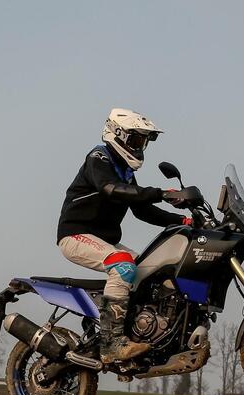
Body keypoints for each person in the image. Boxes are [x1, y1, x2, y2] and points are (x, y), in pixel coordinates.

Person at [56, 108, 190, 364]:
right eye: (136, 140)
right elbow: (111, 189)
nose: (140, 147)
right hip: (75, 235)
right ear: (118, 134)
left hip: (103, 241)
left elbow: (143, 211)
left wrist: (183, 221)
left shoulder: (125, 172)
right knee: (124, 266)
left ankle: (141, 333)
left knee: (151, 270)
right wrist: (161, 193)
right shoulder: (99, 158)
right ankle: (111, 344)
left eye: (143, 142)